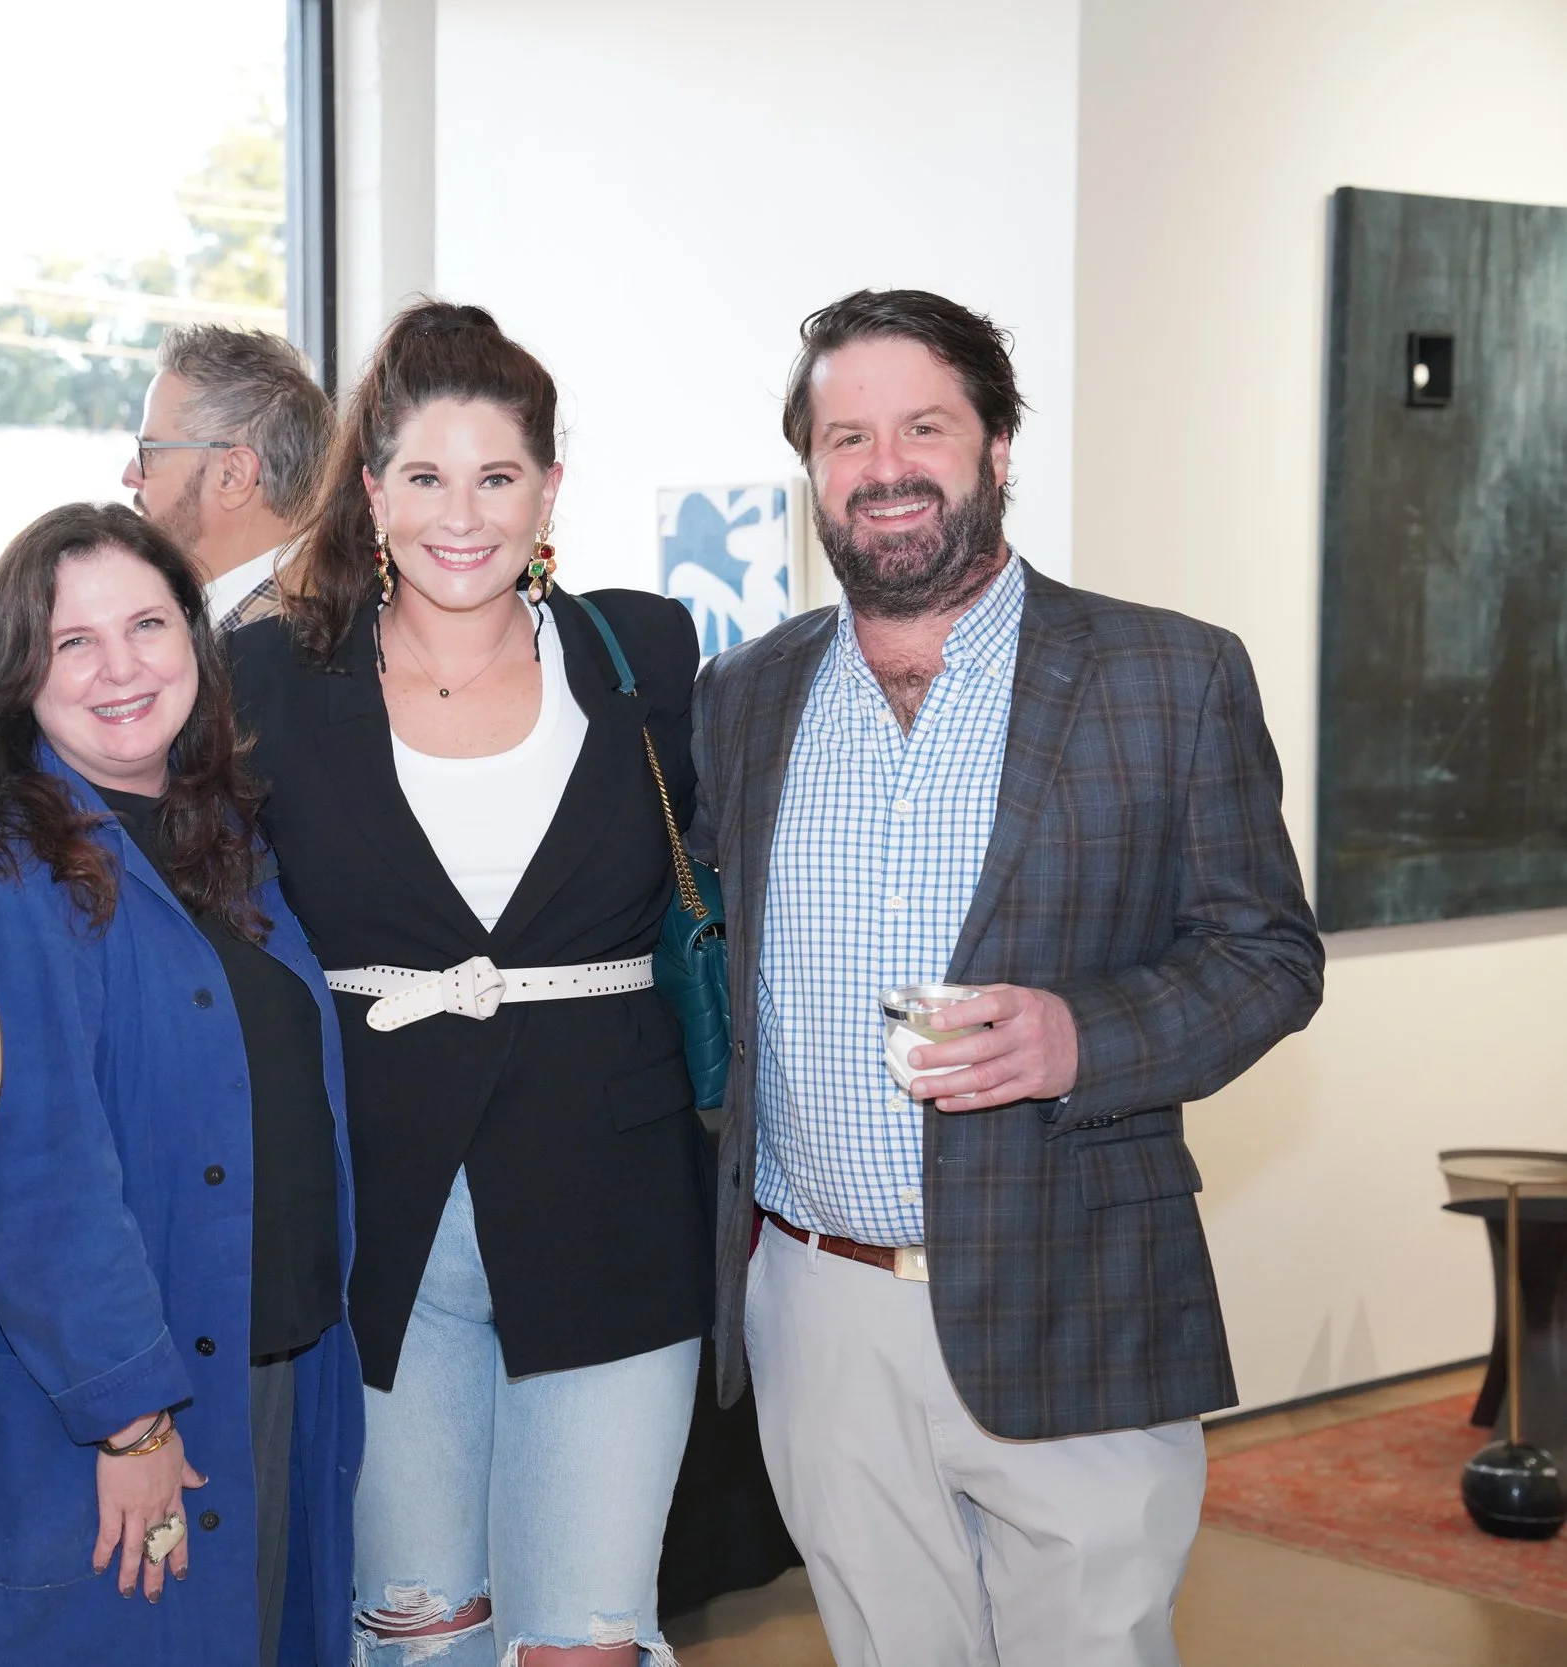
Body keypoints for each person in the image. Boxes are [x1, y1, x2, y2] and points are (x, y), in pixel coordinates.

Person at [687, 288, 1325, 1667]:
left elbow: (1268, 955)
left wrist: (1082, 1034)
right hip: (821, 1307)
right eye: (845, 435)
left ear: (998, 443)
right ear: (810, 467)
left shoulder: (1168, 674)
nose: (886, 465)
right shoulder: (743, 694)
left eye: (925, 424)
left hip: (1076, 1283)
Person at [228, 301, 713, 1665]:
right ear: (371, 490)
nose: (463, 515)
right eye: (426, 477)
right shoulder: (269, 675)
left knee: (585, 1638)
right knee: (418, 1625)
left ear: (549, 487)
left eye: (497, 476)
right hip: (371, 1214)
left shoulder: (644, 655)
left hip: (612, 1208)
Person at [0, 503, 360, 1667]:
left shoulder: (223, 833)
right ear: (16, 673)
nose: (121, 667)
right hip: (118, 1406)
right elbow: (36, 1168)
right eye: (73, 642)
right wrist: (129, 1418)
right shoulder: (9, 862)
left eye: (148, 624)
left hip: (262, 1364)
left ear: (195, 645)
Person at [121, 325, 333, 632]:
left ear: (232, 476)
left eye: (150, 452)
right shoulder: (238, 626)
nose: (129, 475)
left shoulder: (282, 650)